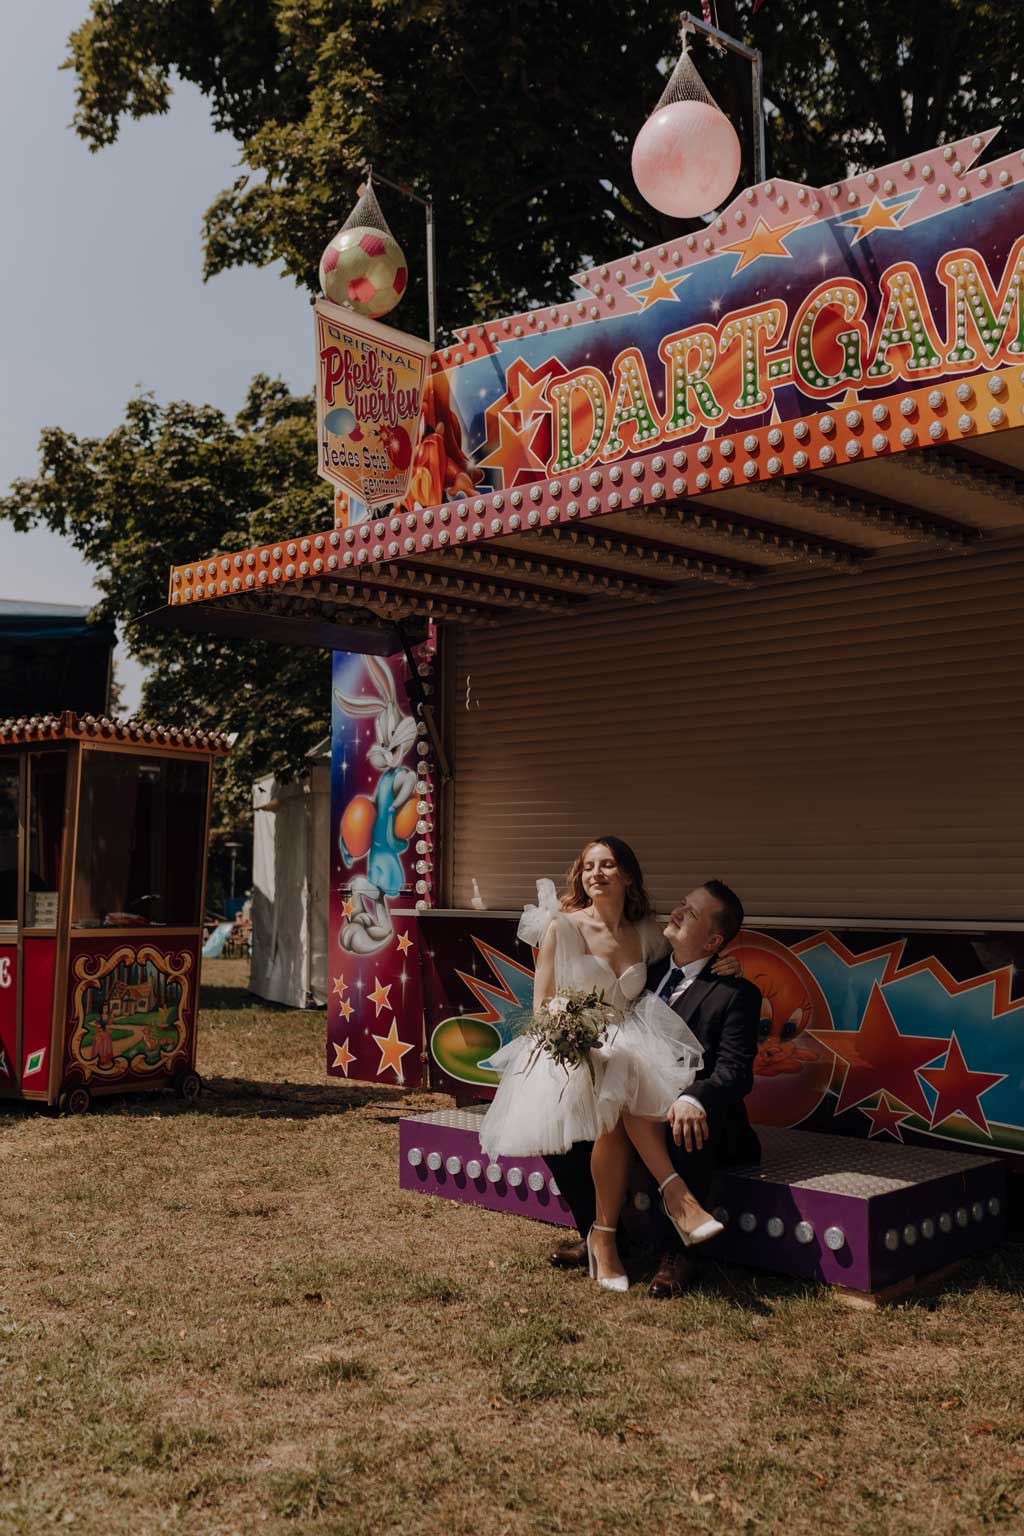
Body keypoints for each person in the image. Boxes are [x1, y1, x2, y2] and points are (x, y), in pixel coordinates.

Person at [478, 838, 740, 1290]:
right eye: (587, 867)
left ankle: (603, 1238)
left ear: (628, 876)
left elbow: (684, 961)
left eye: (608, 865)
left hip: (631, 1047)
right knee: (616, 1074)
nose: (595, 873)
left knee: (617, 1093)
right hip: (572, 1049)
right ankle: (671, 1198)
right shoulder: (562, 927)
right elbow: (543, 1008)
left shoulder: (647, 933)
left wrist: (722, 963)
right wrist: (571, 1033)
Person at [546, 878, 762, 1299]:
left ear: (714, 940)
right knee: (563, 1133)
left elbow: (737, 1071)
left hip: (689, 1112)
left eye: (692, 913)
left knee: (681, 1125)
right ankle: (600, 1234)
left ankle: (677, 1254)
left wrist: (693, 1097)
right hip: (628, 1099)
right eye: (682, 903)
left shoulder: (735, 992)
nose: (677, 912)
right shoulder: (648, 970)